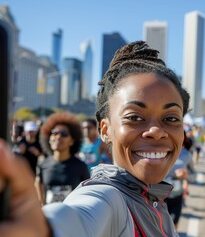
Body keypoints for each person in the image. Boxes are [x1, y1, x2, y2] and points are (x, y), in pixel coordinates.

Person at [0, 41, 190, 236]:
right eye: (134, 117)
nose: (156, 131)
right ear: (105, 130)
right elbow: (78, 217)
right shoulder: (109, 198)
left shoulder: (155, 202)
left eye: (171, 118)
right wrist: (44, 230)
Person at [35, 112, 90, 205]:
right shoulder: (43, 165)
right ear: (49, 138)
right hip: (49, 216)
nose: (58, 137)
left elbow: (87, 194)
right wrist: (41, 203)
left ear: (72, 141)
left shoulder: (80, 166)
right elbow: (38, 183)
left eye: (63, 134)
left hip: (72, 217)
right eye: (54, 133)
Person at [164, 131, 194, 229]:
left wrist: (186, 175)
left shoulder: (186, 155)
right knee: (161, 222)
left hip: (177, 194)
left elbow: (193, 175)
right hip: (161, 194)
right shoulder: (161, 152)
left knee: (174, 222)